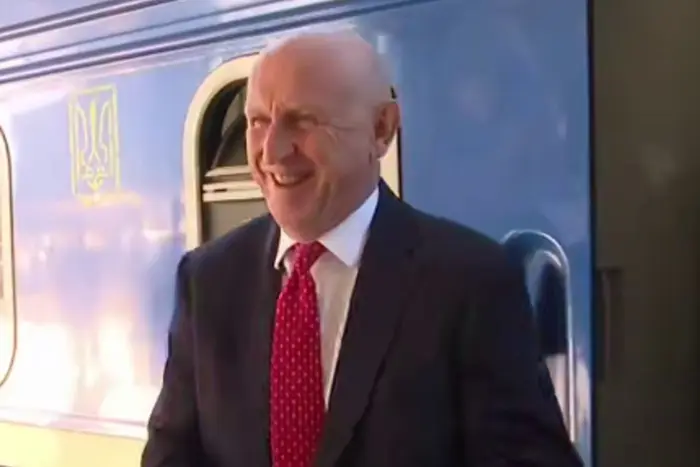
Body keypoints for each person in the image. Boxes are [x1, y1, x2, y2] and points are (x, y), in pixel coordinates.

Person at [142, 31, 583, 467]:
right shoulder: (209, 280)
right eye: (257, 121)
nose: (272, 151)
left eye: (303, 120)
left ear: (381, 129)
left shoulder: (469, 282)